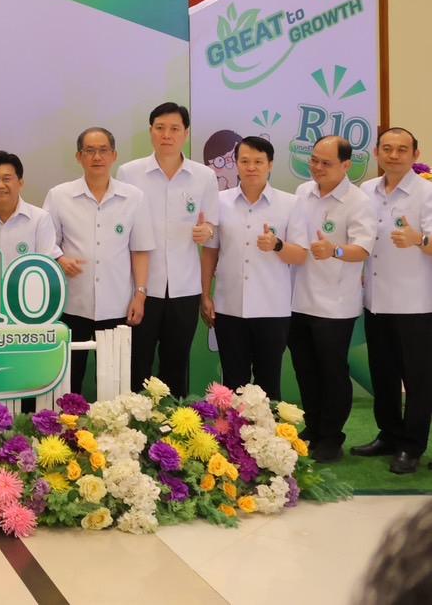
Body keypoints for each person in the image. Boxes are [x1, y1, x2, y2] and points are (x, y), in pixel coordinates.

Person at [281, 135, 375, 463]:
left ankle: (332, 437)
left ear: (346, 165)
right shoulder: (302, 192)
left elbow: (363, 249)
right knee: (305, 369)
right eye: (314, 160)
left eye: (326, 163)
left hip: (335, 304)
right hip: (298, 299)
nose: (317, 167)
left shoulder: (358, 201)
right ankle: (314, 427)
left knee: (332, 372)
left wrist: (334, 250)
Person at [43, 127, 155, 398]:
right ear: (78, 156)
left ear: (114, 155)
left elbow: (140, 249)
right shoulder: (59, 196)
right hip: (72, 303)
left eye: (103, 150)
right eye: (89, 151)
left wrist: (140, 295)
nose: (97, 157)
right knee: (69, 380)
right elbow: (45, 242)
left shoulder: (134, 197)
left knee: (114, 383)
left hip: (118, 303)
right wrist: (60, 258)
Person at [119, 102, 220, 397]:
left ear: (186, 133)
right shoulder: (129, 173)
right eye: (160, 128)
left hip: (184, 287)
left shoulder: (204, 176)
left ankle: (175, 421)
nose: (167, 135)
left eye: (175, 129)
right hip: (141, 288)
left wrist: (206, 230)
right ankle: (134, 422)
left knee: (176, 364)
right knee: (137, 363)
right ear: (150, 131)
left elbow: (211, 224)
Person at [351, 128, 432, 474]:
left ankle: (412, 446)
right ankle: (389, 434)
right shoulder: (366, 190)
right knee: (383, 374)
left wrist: (419, 238)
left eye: (402, 149)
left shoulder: (426, 192)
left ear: (415, 154)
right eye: (387, 148)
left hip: (415, 303)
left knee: (417, 379)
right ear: (377, 153)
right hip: (375, 299)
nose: (394, 155)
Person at [199, 135, 299, 400]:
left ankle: (269, 428)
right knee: (232, 383)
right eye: (245, 161)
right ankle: (232, 427)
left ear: (270, 164)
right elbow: (210, 251)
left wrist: (277, 245)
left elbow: (301, 255)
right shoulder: (219, 201)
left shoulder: (290, 204)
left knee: (269, 384)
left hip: (272, 309)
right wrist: (205, 294)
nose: (251, 167)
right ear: (236, 163)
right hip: (229, 307)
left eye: (258, 161)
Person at [0, 150, 60, 426]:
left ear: (20, 182)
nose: (0, 185)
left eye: (7, 178)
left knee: (25, 380)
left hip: (28, 315)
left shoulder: (40, 218)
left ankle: (25, 435)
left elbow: (46, 267)